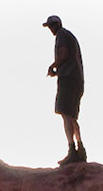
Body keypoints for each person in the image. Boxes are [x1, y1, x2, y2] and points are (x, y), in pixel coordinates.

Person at [42, 14, 85, 164]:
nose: (50, 30)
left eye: (50, 27)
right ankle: (80, 149)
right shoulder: (69, 35)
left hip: (68, 79)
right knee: (72, 115)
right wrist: (57, 70)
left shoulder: (61, 35)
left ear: (54, 26)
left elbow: (64, 54)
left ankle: (72, 149)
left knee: (65, 113)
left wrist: (53, 66)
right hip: (76, 79)